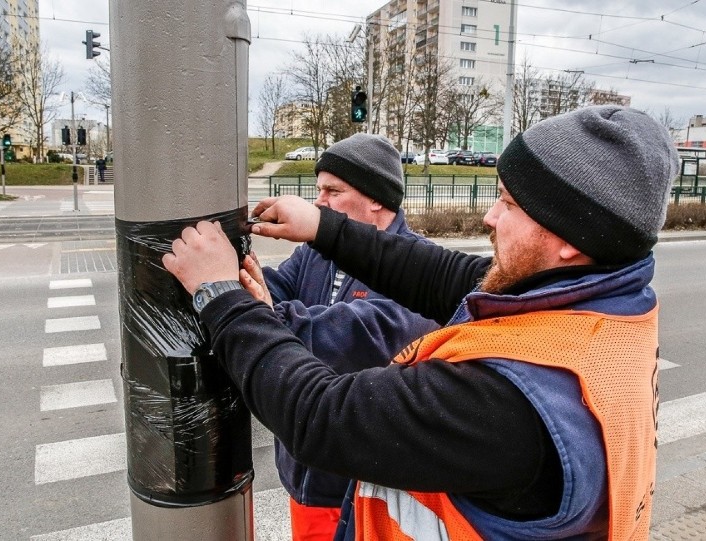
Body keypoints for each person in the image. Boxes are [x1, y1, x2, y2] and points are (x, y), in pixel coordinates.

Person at [162, 106, 679, 540]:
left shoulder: (505, 399)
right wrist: (322, 226)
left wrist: (220, 296)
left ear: (568, 237)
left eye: (509, 203)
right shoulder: (599, 313)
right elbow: (442, 273)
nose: (489, 218)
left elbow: (320, 416)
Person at [255, 133, 439, 540]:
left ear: (376, 199)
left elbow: (341, 339)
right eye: (318, 189)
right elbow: (276, 287)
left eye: (333, 191)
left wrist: (247, 308)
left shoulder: (417, 271)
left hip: (359, 491)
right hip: (303, 474)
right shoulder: (314, 252)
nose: (318, 202)